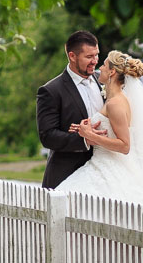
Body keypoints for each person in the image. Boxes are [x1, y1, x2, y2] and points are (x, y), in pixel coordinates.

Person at [54, 51, 143, 212]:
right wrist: (84, 129)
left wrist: (89, 135)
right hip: (102, 164)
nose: (101, 67)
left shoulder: (116, 103)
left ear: (112, 71)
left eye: (104, 65)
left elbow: (124, 145)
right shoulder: (113, 100)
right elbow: (110, 130)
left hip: (107, 168)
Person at [36, 30, 105, 189]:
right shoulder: (50, 91)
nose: (95, 61)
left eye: (96, 55)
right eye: (89, 57)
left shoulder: (104, 81)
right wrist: (85, 139)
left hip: (104, 171)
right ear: (72, 56)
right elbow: (47, 136)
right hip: (67, 175)